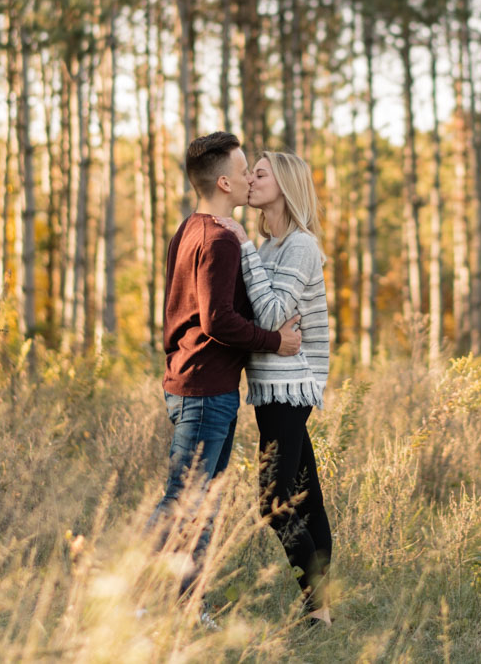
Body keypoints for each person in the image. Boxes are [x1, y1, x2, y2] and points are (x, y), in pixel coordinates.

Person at [151, 132, 302, 602]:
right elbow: (217, 320)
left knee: (200, 505)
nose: (248, 178)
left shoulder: (189, 228)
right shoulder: (220, 240)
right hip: (205, 390)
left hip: (190, 382)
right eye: (242, 172)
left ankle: (186, 607)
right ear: (223, 182)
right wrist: (275, 341)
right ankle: (134, 592)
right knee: (185, 501)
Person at [212, 151, 334, 627]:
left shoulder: (299, 246)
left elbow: (270, 315)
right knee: (306, 499)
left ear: (284, 187)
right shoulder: (268, 249)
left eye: (260, 174)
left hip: (289, 388)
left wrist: (241, 245)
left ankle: (316, 606)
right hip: (270, 387)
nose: (250, 180)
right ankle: (323, 607)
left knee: (274, 501)